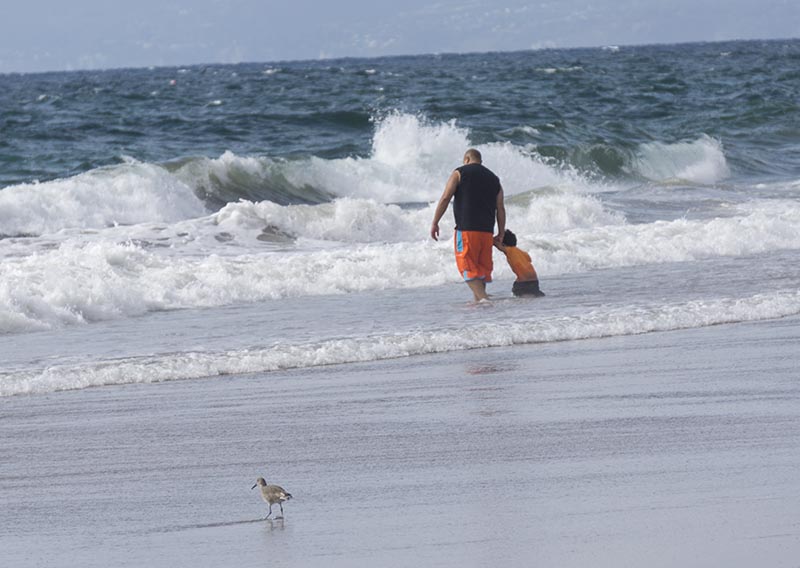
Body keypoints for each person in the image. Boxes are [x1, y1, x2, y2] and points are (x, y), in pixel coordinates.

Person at [430, 148, 505, 301]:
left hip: (467, 230)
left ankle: (485, 301)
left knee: (467, 268)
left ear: (466, 159)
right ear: (481, 161)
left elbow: (445, 198)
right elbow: (500, 208)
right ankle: (480, 307)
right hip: (486, 232)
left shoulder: (459, 172)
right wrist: (501, 232)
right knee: (480, 271)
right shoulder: (494, 179)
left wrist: (435, 222)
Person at [494, 229, 545, 297]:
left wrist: (491, 238)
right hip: (534, 279)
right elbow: (529, 259)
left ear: (503, 244)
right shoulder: (521, 252)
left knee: (516, 291)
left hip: (523, 281)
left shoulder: (509, 250)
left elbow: (498, 245)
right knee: (534, 293)